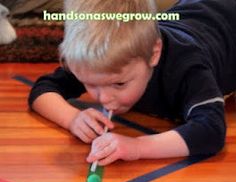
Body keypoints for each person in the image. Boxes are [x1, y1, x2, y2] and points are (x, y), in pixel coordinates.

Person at [28, 0, 236, 167]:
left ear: (154, 54)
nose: (104, 98)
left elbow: (210, 131)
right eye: (90, 84)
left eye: (119, 84)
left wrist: (137, 147)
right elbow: (43, 89)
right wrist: (72, 118)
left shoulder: (187, 67)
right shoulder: (98, 62)